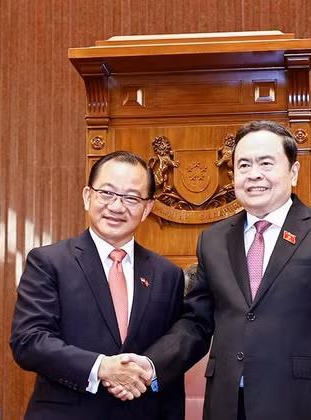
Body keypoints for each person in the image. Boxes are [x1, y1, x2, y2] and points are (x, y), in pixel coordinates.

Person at [111, 121, 311, 419]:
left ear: (293, 172)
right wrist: (152, 364)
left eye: (266, 163)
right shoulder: (213, 240)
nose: (253, 174)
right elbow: (197, 323)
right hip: (227, 405)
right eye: (244, 165)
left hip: (299, 405)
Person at [10, 151, 186, 420]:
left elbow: (170, 361)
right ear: (87, 196)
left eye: (131, 198)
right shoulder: (49, 262)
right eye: (107, 193)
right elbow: (29, 341)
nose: (117, 206)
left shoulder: (168, 275)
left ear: (147, 208)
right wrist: (101, 367)